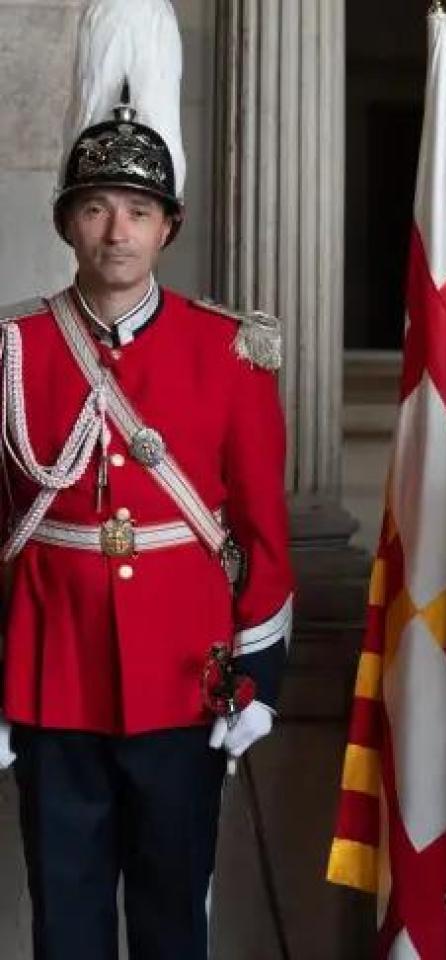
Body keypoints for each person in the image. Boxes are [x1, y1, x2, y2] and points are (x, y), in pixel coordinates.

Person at [0, 1, 293, 956]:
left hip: (184, 680)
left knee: (174, 921)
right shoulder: (14, 347)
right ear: (66, 224)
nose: (115, 231)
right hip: (50, 681)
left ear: (169, 226)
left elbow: (260, 526)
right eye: (95, 208)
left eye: (137, 210)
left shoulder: (231, 352)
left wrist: (259, 673)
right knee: (66, 925)